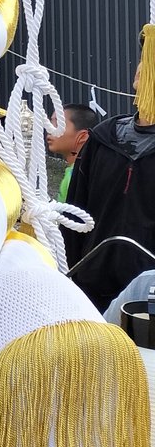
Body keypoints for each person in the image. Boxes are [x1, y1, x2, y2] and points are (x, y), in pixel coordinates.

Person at [64, 50, 155, 313]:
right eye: (144, 57)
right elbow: (75, 215)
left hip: (147, 296)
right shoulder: (103, 139)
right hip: (90, 285)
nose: (143, 65)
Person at [48, 103, 94, 202]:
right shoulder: (73, 170)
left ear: (82, 136)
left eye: (58, 124)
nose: (50, 129)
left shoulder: (81, 176)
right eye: (51, 123)